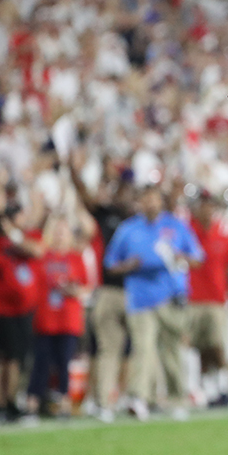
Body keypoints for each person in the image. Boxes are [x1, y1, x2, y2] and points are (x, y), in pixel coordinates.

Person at [103, 185, 203, 421]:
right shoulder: (128, 229)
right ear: (139, 203)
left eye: (154, 199)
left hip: (170, 297)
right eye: (145, 199)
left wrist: (180, 257)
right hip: (140, 298)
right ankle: (139, 398)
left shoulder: (175, 226)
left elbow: (197, 258)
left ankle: (177, 398)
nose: (150, 203)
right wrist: (128, 266)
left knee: (172, 351)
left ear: (161, 201)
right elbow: (110, 264)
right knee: (144, 349)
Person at [68, 153, 135, 420]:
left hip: (137, 290)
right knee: (107, 347)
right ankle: (105, 400)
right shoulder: (106, 214)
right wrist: (73, 170)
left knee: (135, 348)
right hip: (109, 289)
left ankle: (130, 397)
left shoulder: (138, 219)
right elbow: (85, 195)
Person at [0, 172, 43, 422]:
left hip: (20, 310)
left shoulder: (24, 239)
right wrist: (0, 183)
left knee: (15, 358)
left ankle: (12, 402)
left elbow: (37, 251)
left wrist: (13, 234)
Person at [25, 214, 92, 420]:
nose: (60, 235)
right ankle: (33, 404)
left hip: (68, 319)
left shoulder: (75, 257)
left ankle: (64, 403)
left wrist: (73, 290)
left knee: (64, 363)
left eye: (63, 231)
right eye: (56, 230)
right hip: (45, 318)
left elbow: (85, 287)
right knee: (41, 362)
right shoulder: (42, 256)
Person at [186, 190, 228, 407]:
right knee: (196, 347)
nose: (207, 210)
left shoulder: (221, 234)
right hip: (191, 298)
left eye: (210, 206)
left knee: (216, 345)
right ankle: (203, 389)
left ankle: (223, 387)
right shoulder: (187, 231)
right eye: (203, 205)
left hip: (217, 299)